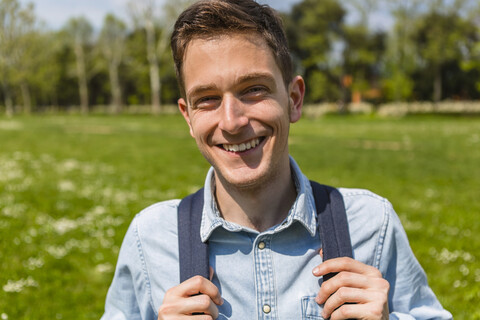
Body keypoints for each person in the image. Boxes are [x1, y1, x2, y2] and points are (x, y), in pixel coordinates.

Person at [102, 0, 452, 319]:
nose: (232, 121)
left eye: (253, 89)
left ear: (294, 99)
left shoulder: (371, 225)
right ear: (188, 117)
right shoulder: (149, 240)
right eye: (207, 98)